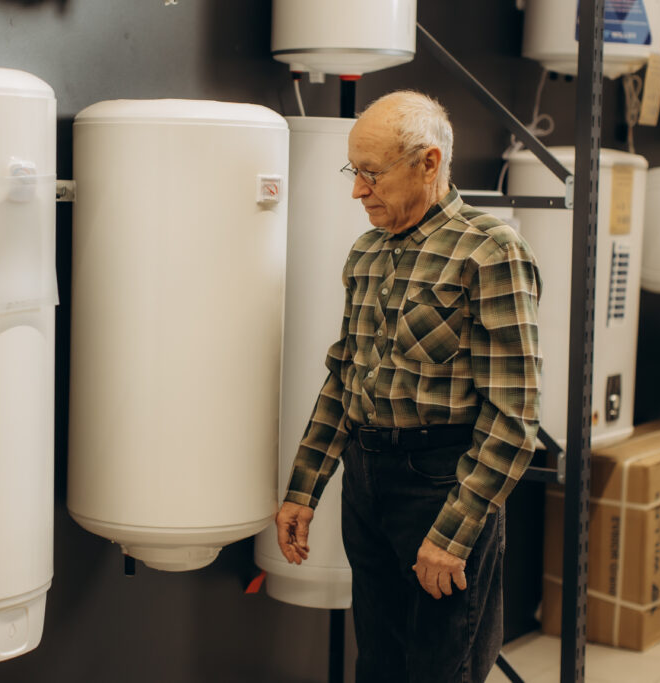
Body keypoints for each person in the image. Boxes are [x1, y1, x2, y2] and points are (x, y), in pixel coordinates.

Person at [275, 90, 542, 683]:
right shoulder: (367, 253)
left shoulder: (490, 251)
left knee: (441, 670)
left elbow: (514, 415)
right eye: (354, 171)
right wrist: (303, 489)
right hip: (368, 482)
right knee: (378, 664)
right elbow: (344, 379)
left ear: (428, 162)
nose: (357, 190)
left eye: (371, 173)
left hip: (445, 483)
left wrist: (452, 534)